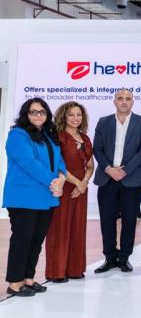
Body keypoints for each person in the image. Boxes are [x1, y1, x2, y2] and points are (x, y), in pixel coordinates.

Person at [3, 98, 66, 297]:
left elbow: (59, 160)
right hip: (24, 197)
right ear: (26, 114)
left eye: (42, 112)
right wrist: (53, 182)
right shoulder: (17, 134)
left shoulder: (48, 134)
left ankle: (28, 279)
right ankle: (15, 282)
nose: (38, 115)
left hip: (46, 196)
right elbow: (29, 163)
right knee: (22, 239)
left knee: (36, 240)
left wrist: (62, 178)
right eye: (33, 112)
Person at [93, 89, 141, 274]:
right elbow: (97, 149)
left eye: (128, 98)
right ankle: (110, 258)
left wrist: (125, 170)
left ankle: (124, 258)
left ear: (133, 101)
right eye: (120, 98)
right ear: (114, 101)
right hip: (107, 178)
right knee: (107, 220)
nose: (124, 102)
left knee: (129, 220)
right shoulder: (104, 122)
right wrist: (108, 169)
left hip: (131, 178)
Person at [45, 101, 94, 282]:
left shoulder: (85, 138)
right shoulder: (57, 137)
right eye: (71, 115)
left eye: (79, 115)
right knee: (60, 228)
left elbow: (90, 166)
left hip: (81, 189)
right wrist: (78, 183)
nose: (75, 118)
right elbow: (59, 166)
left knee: (78, 227)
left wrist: (84, 183)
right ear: (64, 117)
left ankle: (75, 269)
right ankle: (56, 272)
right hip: (63, 186)